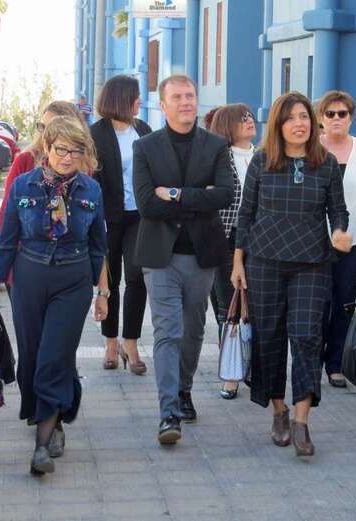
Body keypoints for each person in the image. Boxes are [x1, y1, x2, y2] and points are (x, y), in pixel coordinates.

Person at [0, 116, 108, 475]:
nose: (68, 157)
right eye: (61, 149)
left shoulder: (90, 190)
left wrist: (103, 293)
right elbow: (4, 244)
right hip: (29, 278)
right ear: (47, 149)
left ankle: (41, 446)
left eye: (76, 150)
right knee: (33, 360)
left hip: (73, 279)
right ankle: (56, 419)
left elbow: (100, 246)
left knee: (54, 357)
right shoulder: (23, 185)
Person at [232, 91, 350, 457]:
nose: (298, 123)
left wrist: (340, 233)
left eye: (303, 117)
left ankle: (302, 421)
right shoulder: (262, 161)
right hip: (264, 262)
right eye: (290, 118)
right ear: (279, 125)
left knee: (306, 336)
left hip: (312, 263)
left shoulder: (326, 163)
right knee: (269, 338)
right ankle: (279, 411)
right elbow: (246, 214)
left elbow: (339, 211)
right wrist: (238, 263)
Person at [132, 74, 233, 445]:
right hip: (160, 256)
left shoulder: (216, 145)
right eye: (176, 96)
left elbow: (224, 195)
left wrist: (174, 194)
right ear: (163, 105)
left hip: (203, 254)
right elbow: (146, 203)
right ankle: (168, 412)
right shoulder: (145, 147)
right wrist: (197, 197)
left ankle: (184, 388)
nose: (185, 101)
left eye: (190, 95)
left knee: (193, 331)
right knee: (167, 332)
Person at [0, 101, 85, 292]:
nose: (45, 133)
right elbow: (6, 217)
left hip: (69, 270)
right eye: (42, 127)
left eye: (54, 127)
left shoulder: (83, 168)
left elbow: (93, 227)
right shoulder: (26, 160)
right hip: (25, 267)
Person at [90, 75, 152, 375]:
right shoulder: (96, 133)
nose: (140, 100)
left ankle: (131, 342)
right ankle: (110, 342)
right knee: (110, 280)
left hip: (139, 216)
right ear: (121, 98)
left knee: (137, 277)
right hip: (108, 217)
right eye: (135, 96)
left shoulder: (143, 130)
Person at [316, 90, 356, 388]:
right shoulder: (311, 149)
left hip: (351, 243)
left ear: (351, 118)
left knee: (343, 304)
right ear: (321, 118)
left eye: (343, 114)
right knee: (316, 305)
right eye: (330, 114)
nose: (337, 119)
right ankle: (312, 360)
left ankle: (335, 363)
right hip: (313, 243)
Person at [207, 103, 257, 399]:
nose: (250, 121)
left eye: (250, 116)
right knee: (229, 307)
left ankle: (254, 367)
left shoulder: (265, 155)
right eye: (242, 118)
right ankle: (231, 372)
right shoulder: (217, 158)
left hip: (260, 238)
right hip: (225, 237)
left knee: (259, 305)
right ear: (227, 125)